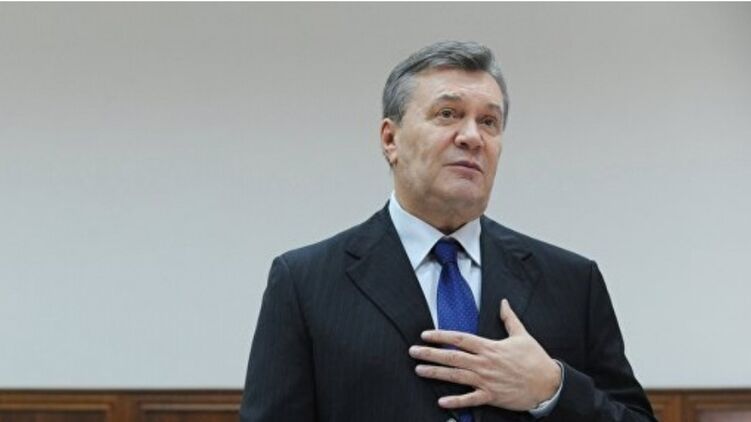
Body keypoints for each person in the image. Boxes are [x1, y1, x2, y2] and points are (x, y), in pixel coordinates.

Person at [239, 40, 656, 422]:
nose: (472, 137)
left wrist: (553, 389)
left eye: (489, 121)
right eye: (448, 114)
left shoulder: (572, 282)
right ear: (390, 139)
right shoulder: (305, 283)